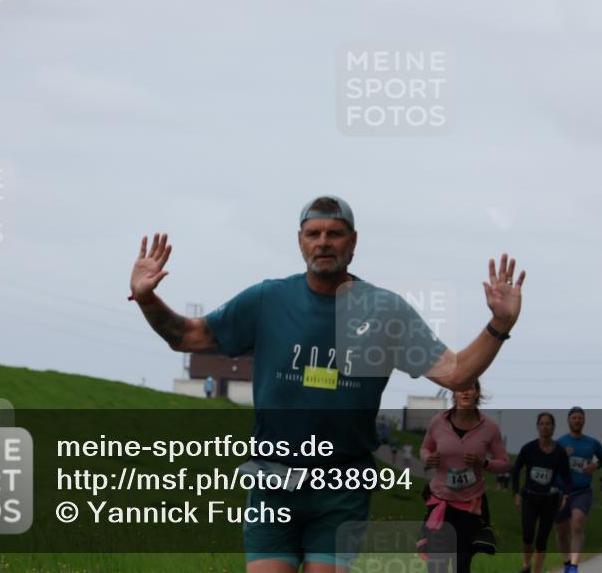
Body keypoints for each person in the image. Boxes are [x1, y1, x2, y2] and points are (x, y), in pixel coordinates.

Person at [130, 195, 528, 573]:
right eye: (313, 234)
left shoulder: (385, 310)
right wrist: (148, 300)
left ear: (353, 243)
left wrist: (500, 325)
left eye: (334, 233)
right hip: (272, 483)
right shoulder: (269, 299)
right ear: (300, 242)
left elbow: (456, 372)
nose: (323, 242)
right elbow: (188, 336)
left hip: (340, 490)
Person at [419, 380, 509, 573]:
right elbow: (425, 448)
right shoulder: (438, 421)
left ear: (477, 393)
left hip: (470, 507)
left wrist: (483, 462)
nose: (466, 392)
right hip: (441, 503)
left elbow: (504, 462)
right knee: (437, 565)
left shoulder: (490, 428)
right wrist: (429, 458)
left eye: (471, 387)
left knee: (462, 565)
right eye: (461, 388)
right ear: (454, 393)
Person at [511, 412, 571, 573]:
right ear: (538, 427)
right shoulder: (528, 448)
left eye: (548, 424)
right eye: (542, 423)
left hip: (549, 501)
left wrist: (565, 494)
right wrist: (516, 493)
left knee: (542, 539)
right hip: (530, 497)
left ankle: (537, 570)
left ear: (553, 427)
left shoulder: (559, 452)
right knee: (528, 535)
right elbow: (515, 471)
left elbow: (567, 477)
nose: (545, 426)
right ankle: (526, 565)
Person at [554, 407, 602, 573]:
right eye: (574, 418)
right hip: (561, 491)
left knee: (577, 525)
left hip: (582, 491)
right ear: (569, 421)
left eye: (580, 418)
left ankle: (574, 566)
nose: (577, 420)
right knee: (561, 531)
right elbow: (551, 463)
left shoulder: (592, 443)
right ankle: (566, 563)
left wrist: (595, 465)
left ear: (584, 421)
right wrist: (562, 455)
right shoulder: (560, 442)